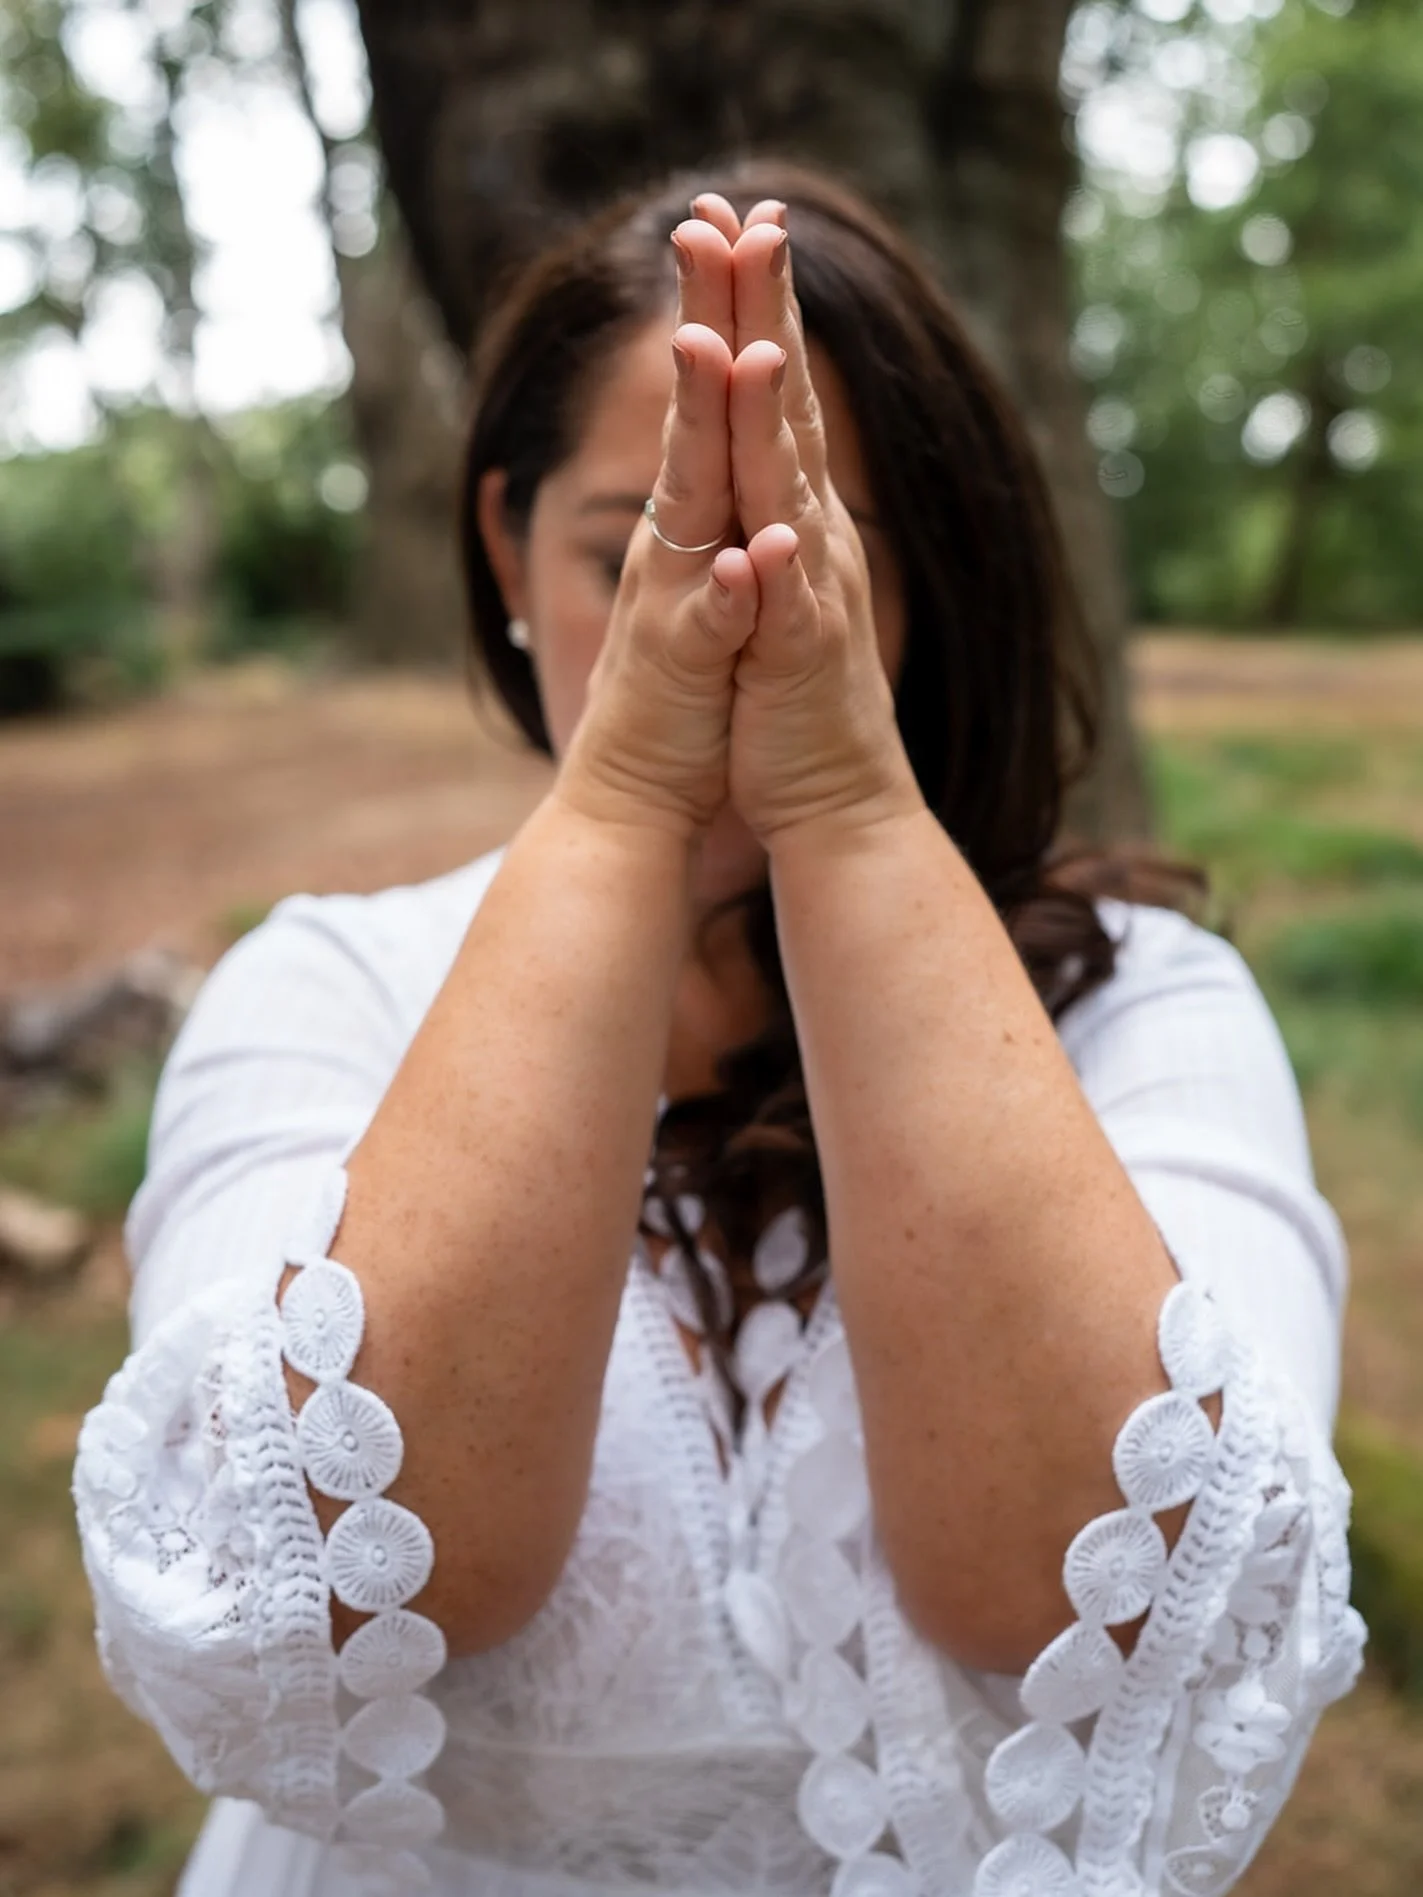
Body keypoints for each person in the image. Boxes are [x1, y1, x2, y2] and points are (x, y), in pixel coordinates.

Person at [73, 165, 1363, 1897]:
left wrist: (842, 804)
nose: (724, 634)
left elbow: (1105, 1593)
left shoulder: (1148, 1007)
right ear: (504, 548)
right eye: (635, 556)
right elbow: (307, 1578)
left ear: (933, 590)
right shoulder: (325, 990)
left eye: (808, 563)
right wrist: (625, 794)